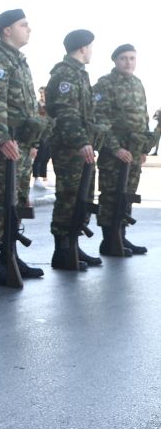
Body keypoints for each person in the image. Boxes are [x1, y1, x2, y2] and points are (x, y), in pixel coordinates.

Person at [0, 10, 47, 284]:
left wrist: (32, 143)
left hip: (21, 142)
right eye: (23, 24)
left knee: (14, 199)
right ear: (7, 30)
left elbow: (26, 106)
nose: (29, 28)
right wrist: (3, 138)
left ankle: (10, 255)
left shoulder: (18, 60)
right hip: (6, 142)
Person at [46, 29, 103, 270]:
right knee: (69, 196)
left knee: (82, 197)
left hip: (81, 147)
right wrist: (81, 141)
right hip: (70, 147)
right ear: (82, 47)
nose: (91, 51)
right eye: (90, 46)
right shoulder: (66, 74)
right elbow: (65, 112)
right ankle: (62, 251)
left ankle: (73, 245)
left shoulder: (79, 74)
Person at [93, 44, 150, 256]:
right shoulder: (105, 85)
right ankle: (109, 240)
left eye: (132, 58)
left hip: (134, 151)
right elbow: (100, 119)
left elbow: (143, 117)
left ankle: (122, 236)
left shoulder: (138, 83)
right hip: (114, 153)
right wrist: (115, 148)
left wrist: (143, 148)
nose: (129, 62)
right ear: (115, 61)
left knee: (127, 194)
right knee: (110, 194)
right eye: (124, 58)